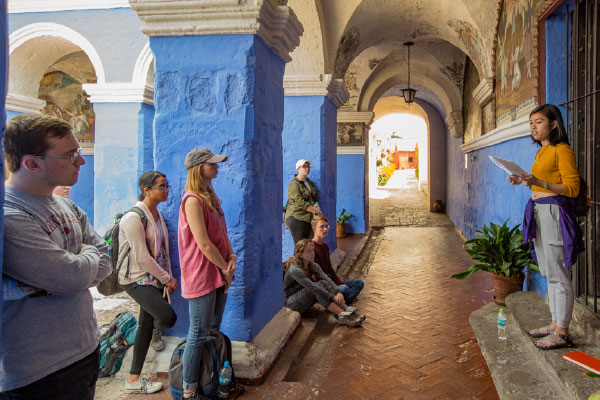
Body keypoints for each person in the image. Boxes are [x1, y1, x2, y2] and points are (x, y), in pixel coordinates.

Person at [0, 114, 110, 399]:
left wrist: (79, 264)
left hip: (85, 347)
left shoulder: (66, 205)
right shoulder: (11, 217)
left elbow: (105, 261)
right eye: (71, 155)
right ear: (32, 163)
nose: (81, 161)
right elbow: (71, 277)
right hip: (39, 369)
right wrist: (85, 254)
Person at [508, 104, 584, 350]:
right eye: (531, 123)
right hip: (539, 211)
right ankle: (555, 323)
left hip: (554, 214)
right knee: (548, 270)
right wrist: (525, 181)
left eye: (538, 122)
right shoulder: (542, 152)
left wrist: (538, 181)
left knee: (558, 272)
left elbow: (572, 189)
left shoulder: (562, 150)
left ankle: (562, 332)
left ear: (553, 124)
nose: (533, 127)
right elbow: (542, 185)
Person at [178, 148, 236, 400]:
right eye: (212, 163)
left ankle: (210, 379)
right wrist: (224, 266)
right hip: (203, 273)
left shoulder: (211, 196)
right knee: (198, 332)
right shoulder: (192, 200)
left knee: (213, 329)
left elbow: (221, 234)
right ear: (199, 167)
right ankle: (190, 390)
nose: (217, 167)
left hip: (219, 270)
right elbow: (203, 243)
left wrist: (231, 257)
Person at [118, 171, 178, 394]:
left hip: (154, 278)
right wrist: (168, 278)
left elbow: (163, 251)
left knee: (145, 325)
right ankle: (150, 331)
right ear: (146, 189)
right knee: (166, 316)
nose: (166, 190)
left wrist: (166, 278)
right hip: (135, 278)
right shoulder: (134, 217)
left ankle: (133, 380)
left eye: (166, 185)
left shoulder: (157, 215)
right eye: (161, 186)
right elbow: (142, 257)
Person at [284, 239, 366, 327]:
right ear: (300, 255)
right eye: (309, 251)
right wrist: (333, 297)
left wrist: (337, 292)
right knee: (317, 287)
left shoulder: (313, 265)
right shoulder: (295, 270)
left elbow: (326, 279)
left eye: (313, 250)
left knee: (323, 282)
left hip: (305, 296)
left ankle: (347, 310)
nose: (312, 253)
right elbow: (313, 287)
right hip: (292, 303)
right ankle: (342, 315)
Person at [311, 215, 364, 304]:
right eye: (321, 227)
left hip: (330, 279)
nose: (325, 229)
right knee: (345, 289)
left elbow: (330, 268)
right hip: (322, 283)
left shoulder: (324, 245)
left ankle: (340, 302)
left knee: (359, 283)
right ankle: (341, 302)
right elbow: (314, 275)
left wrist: (339, 283)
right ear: (314, 229)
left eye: (326, 226)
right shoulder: (311, 247)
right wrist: (334, 287)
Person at [284, 159, 322, 244]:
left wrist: (318, 209)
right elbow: (299, 202)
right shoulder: (294, 184)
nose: (307, 168)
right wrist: (316, 211)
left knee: (309, 244)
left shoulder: (309, 182)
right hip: (297, 217)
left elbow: (315, 199)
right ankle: (297, 258)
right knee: (300, 245)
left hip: (308, 218)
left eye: (308, 166)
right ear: (298, 169)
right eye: (304, 166)